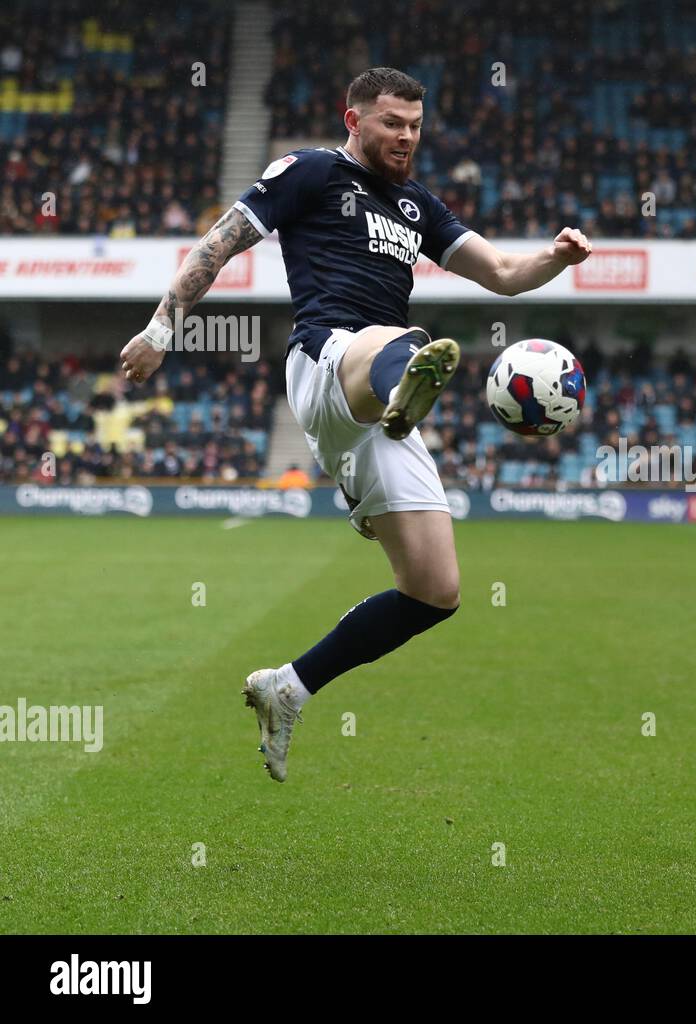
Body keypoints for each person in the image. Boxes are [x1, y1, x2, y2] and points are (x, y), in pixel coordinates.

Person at [118, 67, 592, 782]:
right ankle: (401, 393)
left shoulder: (417, 207)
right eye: (391, 123)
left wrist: (555, 258)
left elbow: (500, 271)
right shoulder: (309, 173)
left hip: (378, 405)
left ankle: (290, 686)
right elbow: (217, 244)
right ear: (355, 119)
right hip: (327, 358)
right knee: (406, 341)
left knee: (435, 590)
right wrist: (162, 329)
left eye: (414, 126)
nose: (405, 137)